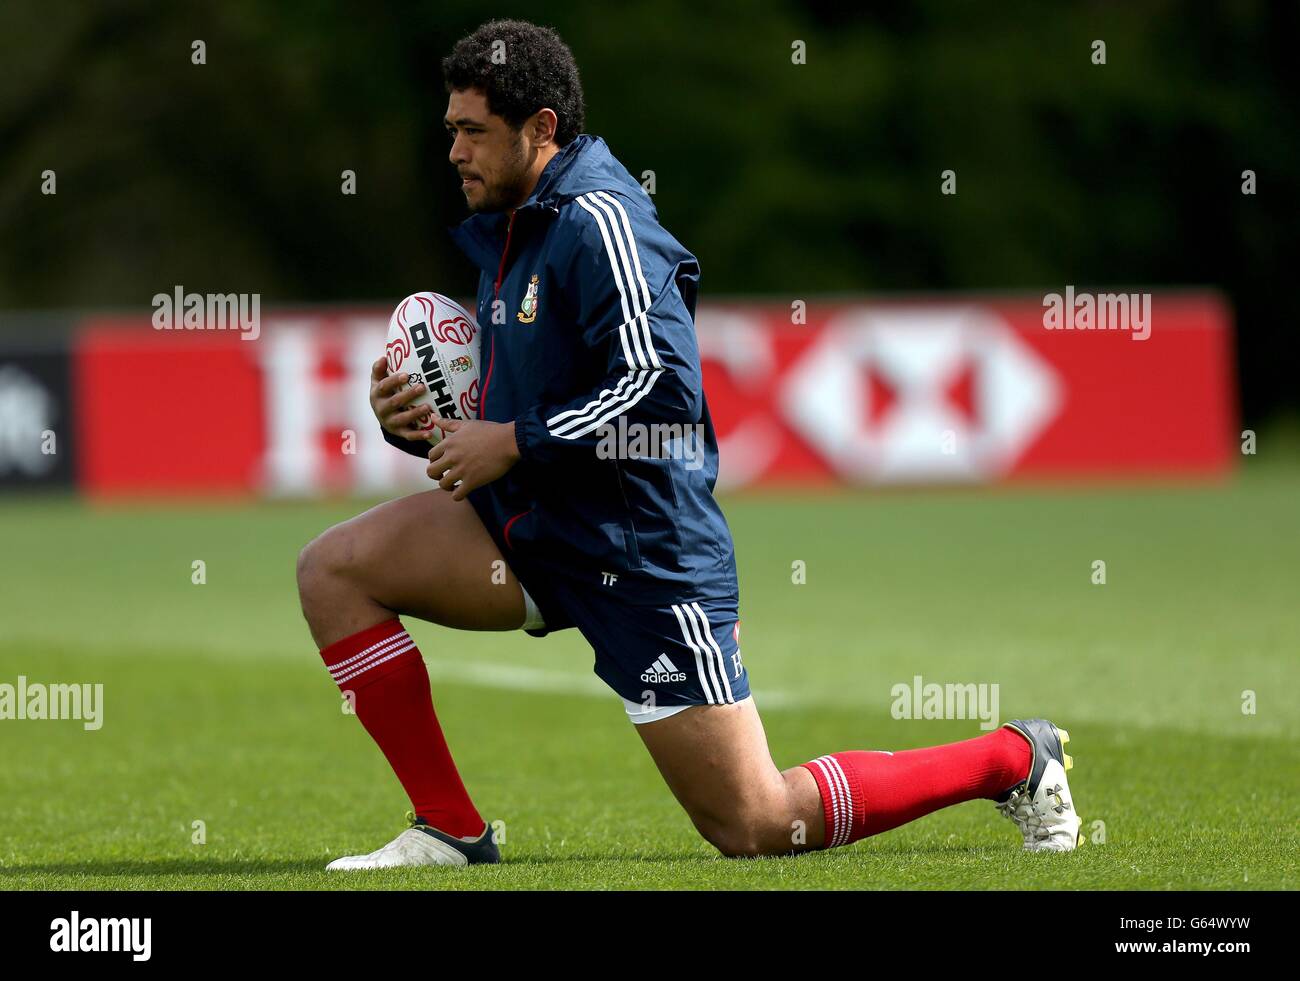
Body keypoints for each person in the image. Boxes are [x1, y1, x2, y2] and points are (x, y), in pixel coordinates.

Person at [296, 18, 1081, 869]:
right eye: (450, 129)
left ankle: (1014, 757)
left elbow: (664, 390)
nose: (453, 151)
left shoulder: (602, 223)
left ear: (542, 129)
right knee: (334, 569)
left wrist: (515, 440)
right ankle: (449, 826)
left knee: (753, 822)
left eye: (472, 131)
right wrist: (415, 426)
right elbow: (510, 404)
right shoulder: (512, 226)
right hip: (530, 530)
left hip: (639, 550)